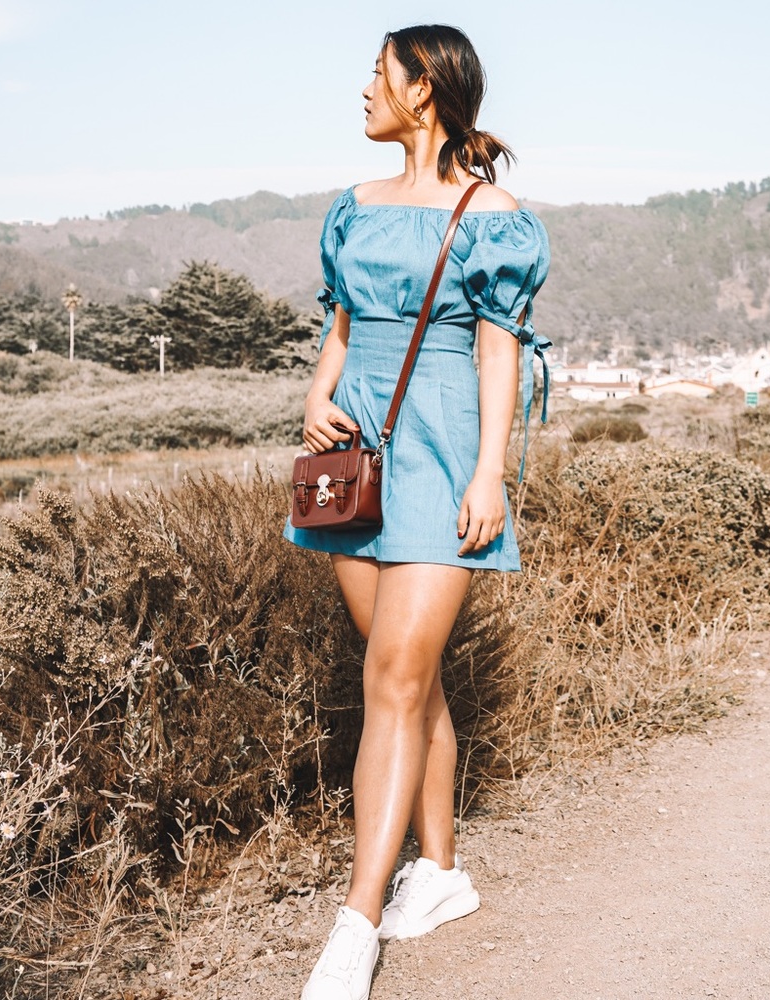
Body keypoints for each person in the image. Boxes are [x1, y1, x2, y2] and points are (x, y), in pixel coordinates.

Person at [284, 23, 550, 1000]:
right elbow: (340, 323)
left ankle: (355, 925)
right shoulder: (352, 207)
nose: (363, 90)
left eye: (377, 74)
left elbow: (498, 352)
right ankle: (435, 869)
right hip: (352, 457)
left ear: (422, 89)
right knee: (407, 670)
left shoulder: (491, 213)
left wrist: (489, 474)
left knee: (391, 675)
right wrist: (317, 393)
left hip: (441, 454)